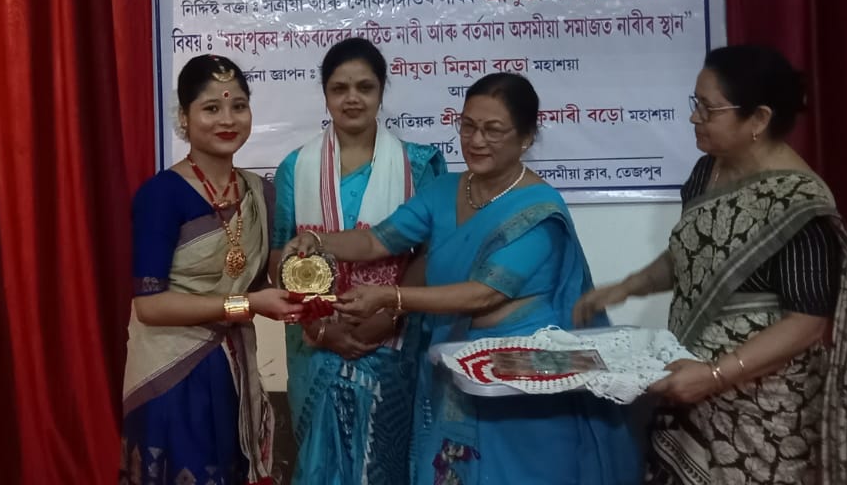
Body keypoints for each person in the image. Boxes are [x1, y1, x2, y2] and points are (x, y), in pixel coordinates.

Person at [289, 72, 639, 485]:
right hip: (456, 368)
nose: (476, 140)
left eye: (493, 130)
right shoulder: (444, 190)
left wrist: (390, 297)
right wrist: (318, 241)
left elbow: (483, 294)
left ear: (526, 137)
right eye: (468, 126)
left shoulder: (538, 209)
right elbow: (375, 241)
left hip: (521, 380)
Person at [573, 45, 847, 484]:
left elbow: (808, 322)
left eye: (708, 108)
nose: (694, 117)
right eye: (695, 103)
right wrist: (628, 286)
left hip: (764, 414)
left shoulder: (798, 205)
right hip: (692, 390)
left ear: (758, 119)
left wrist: (716, 375)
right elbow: (693, 255)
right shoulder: (707, 172)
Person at [121, 54, 304, 485]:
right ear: (184, 118)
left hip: (234, 375)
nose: (227, 119)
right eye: (211, 108)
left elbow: (270, 276)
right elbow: (150, 307)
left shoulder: (260, 192)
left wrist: (304, 258)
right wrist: (246, 305)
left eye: (238, 106)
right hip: (171, 375)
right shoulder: (161, 195)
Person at [270, 37, 446, 484]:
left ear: (382, 91)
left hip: (392, 341)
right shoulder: (295, 167)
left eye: (364, 87)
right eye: (340, 88)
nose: (352, 98)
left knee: (382, 462)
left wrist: (388, 316)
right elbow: (279, 255)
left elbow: (430, 252)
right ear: (325, 94)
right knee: (319, 463)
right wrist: (320, 327)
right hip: (316, 342)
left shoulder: (419, 165)